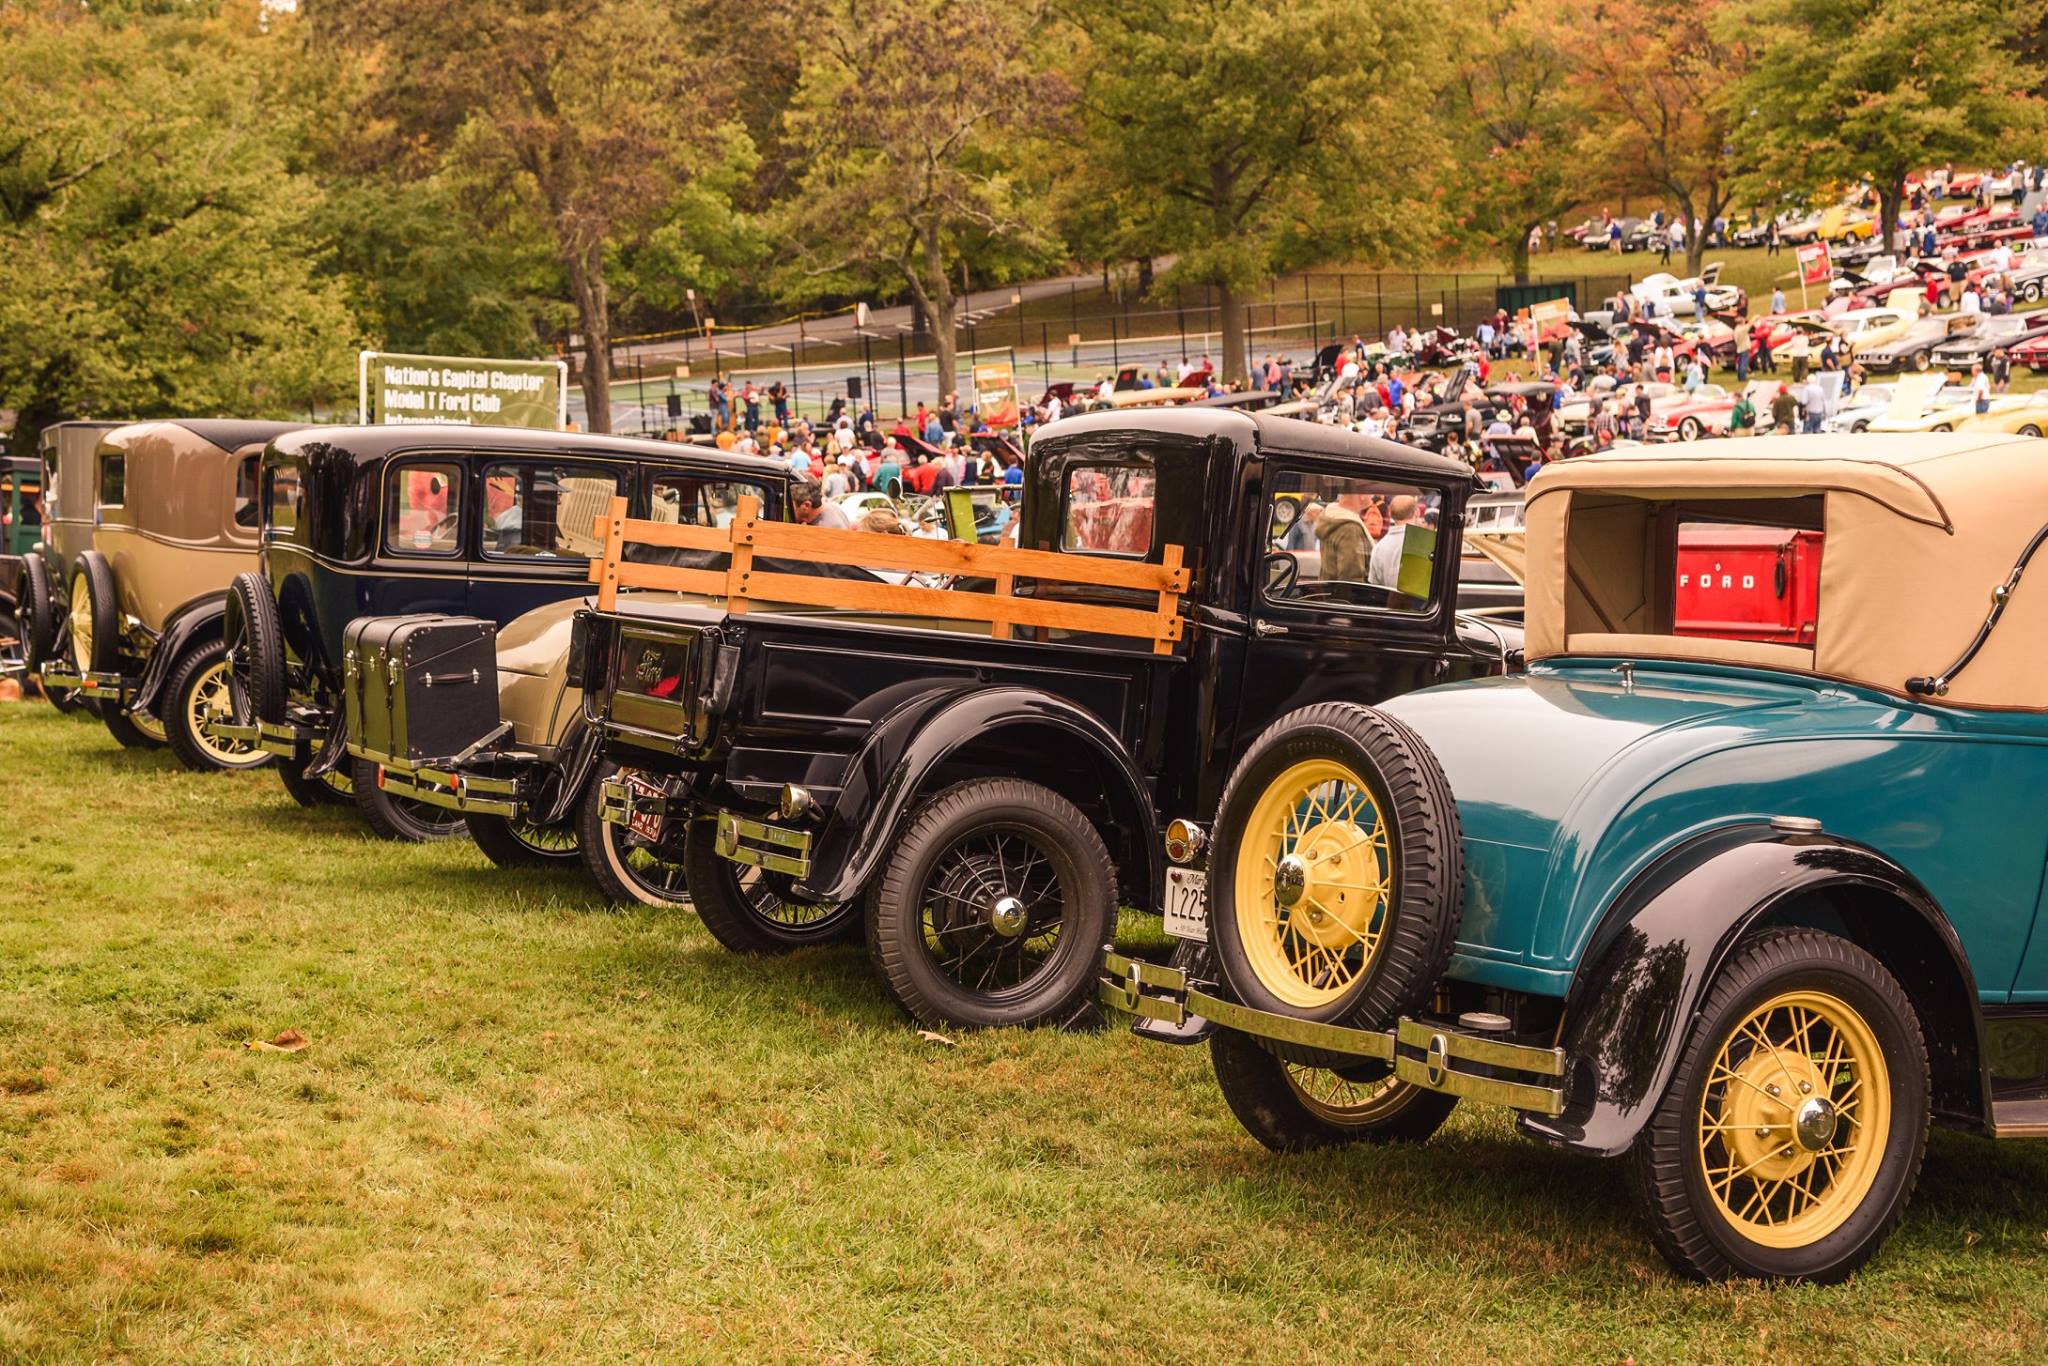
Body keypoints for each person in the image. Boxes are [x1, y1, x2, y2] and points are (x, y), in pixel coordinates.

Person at [1369, 494, 1429, 590]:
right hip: (1419, 603)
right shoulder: (1426, 542)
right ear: (1417, 512)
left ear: (1390, 513)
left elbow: (1374, 583)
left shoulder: (1379, 547)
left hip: (1388, 602)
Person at [1314, 492, 1374, 583]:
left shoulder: (1332, 518)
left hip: (1328, 591)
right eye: (1370, 491)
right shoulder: (1349, 528)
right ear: (1362, 494)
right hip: (1345, 595)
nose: (1372, 495)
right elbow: (1350, 578)